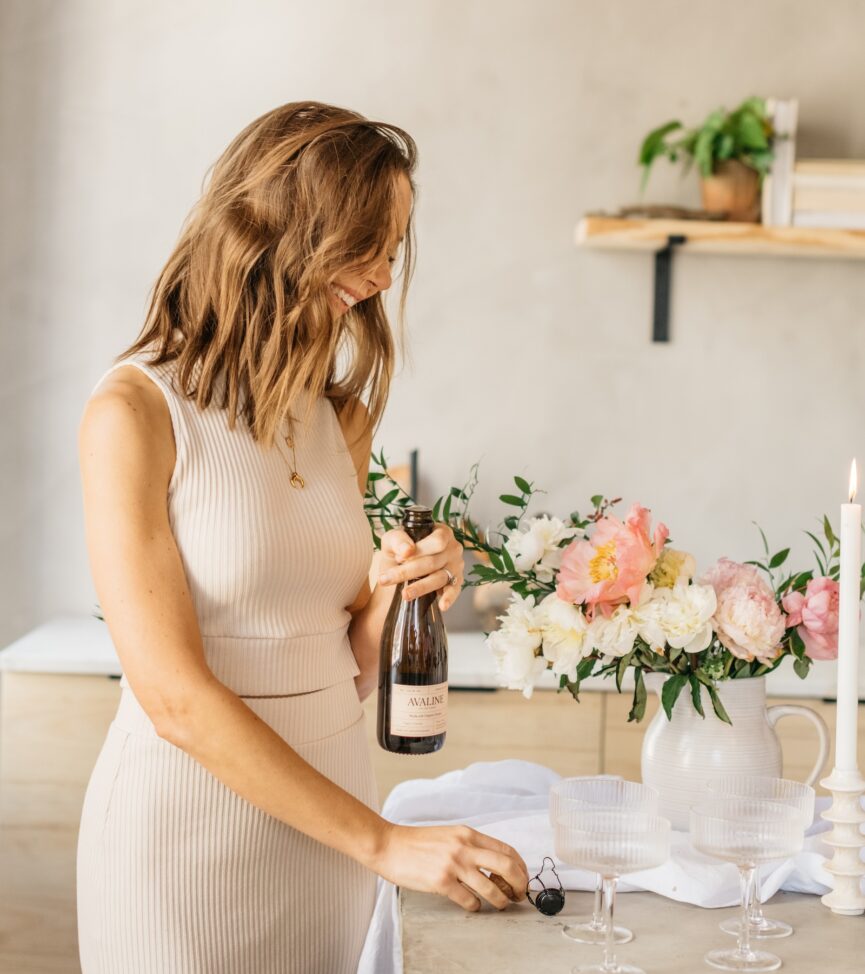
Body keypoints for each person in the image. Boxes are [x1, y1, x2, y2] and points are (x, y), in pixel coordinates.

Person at [75, 101, 529, 974]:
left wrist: (407, 585)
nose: (381, 276)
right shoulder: (134, 412)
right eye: (364, 241)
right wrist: (384, 843)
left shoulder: (341, 418)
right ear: (277, 228)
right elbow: (172, 698)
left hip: (330, 836)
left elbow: (345, 668)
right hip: (184, 842)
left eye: (392, 249)